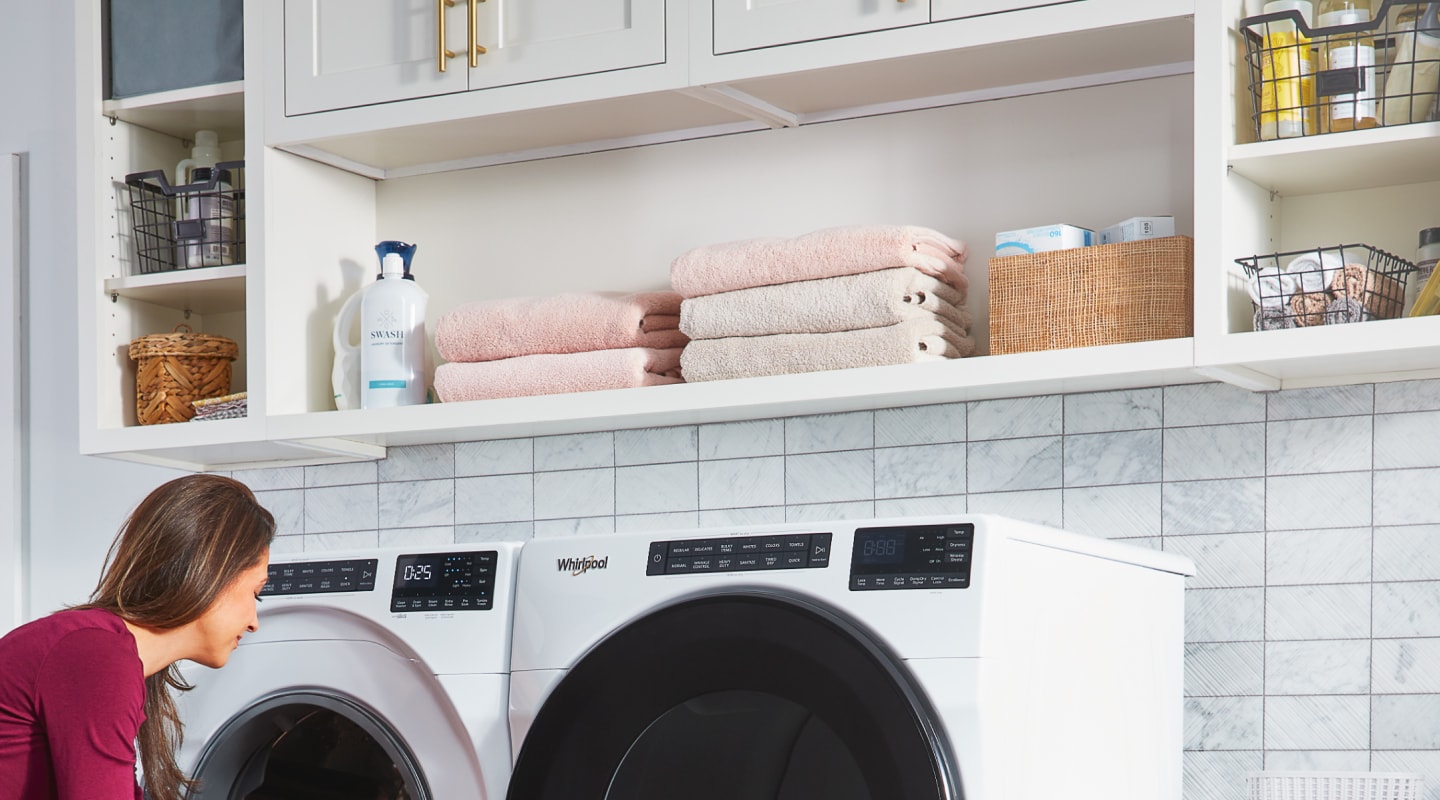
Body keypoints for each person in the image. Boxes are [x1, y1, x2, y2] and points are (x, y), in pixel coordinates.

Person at [0, 474, 275, 800]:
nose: (254, 622)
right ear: (211, 575)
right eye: (255, 594)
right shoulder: (96, 656)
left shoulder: (101, 650)